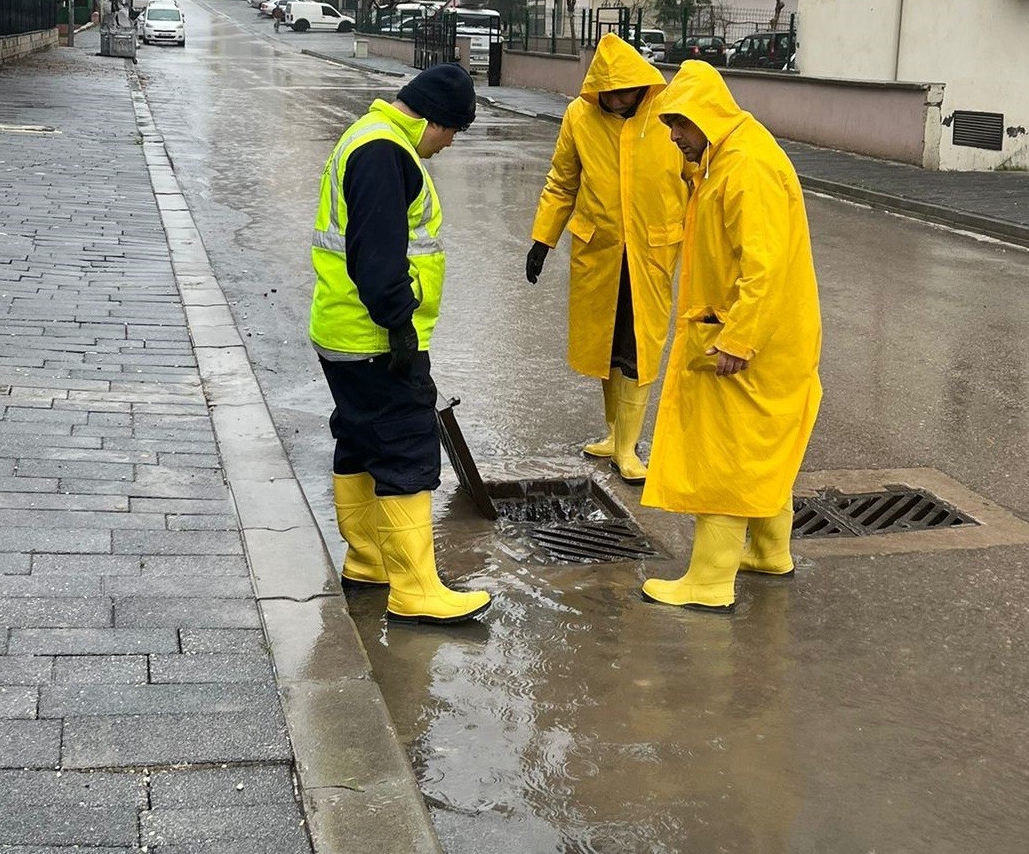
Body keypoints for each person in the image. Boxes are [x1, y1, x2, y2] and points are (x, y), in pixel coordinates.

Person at [310, 63, 490, 625]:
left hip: (344, 330)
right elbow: (377, 257)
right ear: (434, 119)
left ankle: (368, 562)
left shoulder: (368, 136)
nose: (450, 143)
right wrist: (400, 328)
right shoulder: (385, 153)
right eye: (453, 131)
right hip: (375, 337)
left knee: (360, 441)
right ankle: (415, 590)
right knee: (407, 448)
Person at [639, 61, 823, 611]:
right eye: (670, 124)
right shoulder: (730, 155)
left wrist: (738, 338)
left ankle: (709, 581)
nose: (674, 136)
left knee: (725, 454)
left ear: (706, 117)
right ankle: (769, 551)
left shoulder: (745, 164)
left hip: (751, 337)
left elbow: (763, 266)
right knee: (760, 448)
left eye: (680, 124)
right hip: (770, 334)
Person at [526, 33, 687, 483]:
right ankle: (615, 433)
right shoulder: (580, 116)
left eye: (624, 92)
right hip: (599, 251)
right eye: (608, 93)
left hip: (651, 251)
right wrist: (543, 240)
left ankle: (628, 447)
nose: (615, 100)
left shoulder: (667, 114)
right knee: (607, 346)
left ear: (641, 85)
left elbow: (697, 176)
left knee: (639, 346)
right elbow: (562, 182)